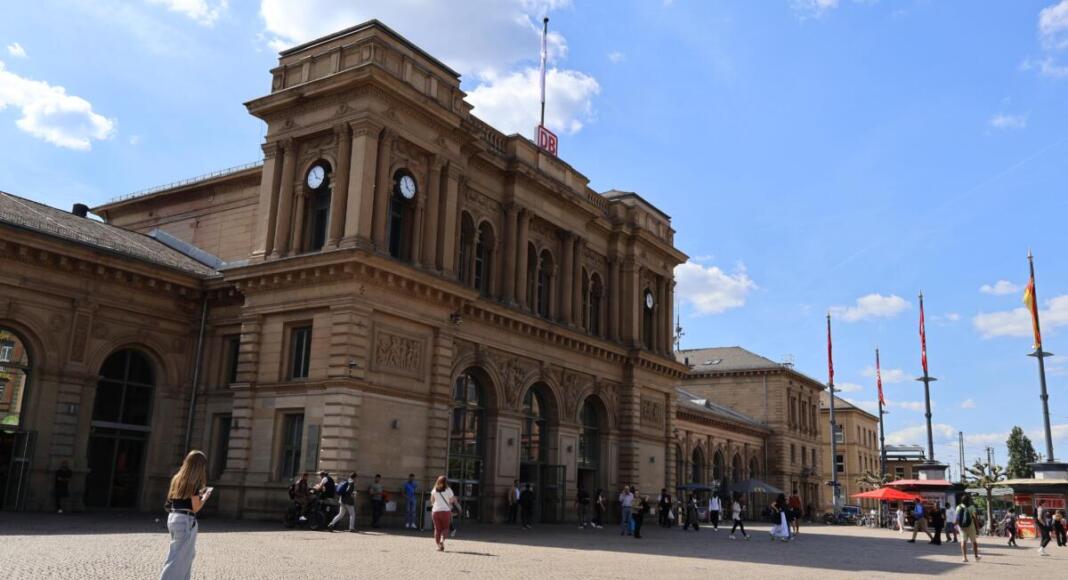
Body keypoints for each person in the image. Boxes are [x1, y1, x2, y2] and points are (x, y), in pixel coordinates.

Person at [158, 450, 212, 580]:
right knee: (178, 559)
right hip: (185, 520)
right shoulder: (195, 482)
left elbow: (170, 501)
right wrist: (205, 497)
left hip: (173, 517)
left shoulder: (177, 478)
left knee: (185, 555)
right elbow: (195, 507)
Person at [430, 475, 458, 552]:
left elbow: (432, 501)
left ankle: (439, 546)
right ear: (446, 482)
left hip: (435, 511)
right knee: (446, 528)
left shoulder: (434, 490)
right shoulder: (448, 490)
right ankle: (442, 540)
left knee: (437, 529)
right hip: (445, 511)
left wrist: (435, 505)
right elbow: (451, 500)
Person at [956, 494, 981, 562]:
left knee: (963, 541)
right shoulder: (972, 507)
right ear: (968, 500)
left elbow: (957, 519)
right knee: (974, 542)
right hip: (971, 526)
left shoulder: (958, 507)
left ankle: (964, 557)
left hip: (962, 527)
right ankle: (976, 556)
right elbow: (975, 517)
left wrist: (958, 526)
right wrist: (977, 527)